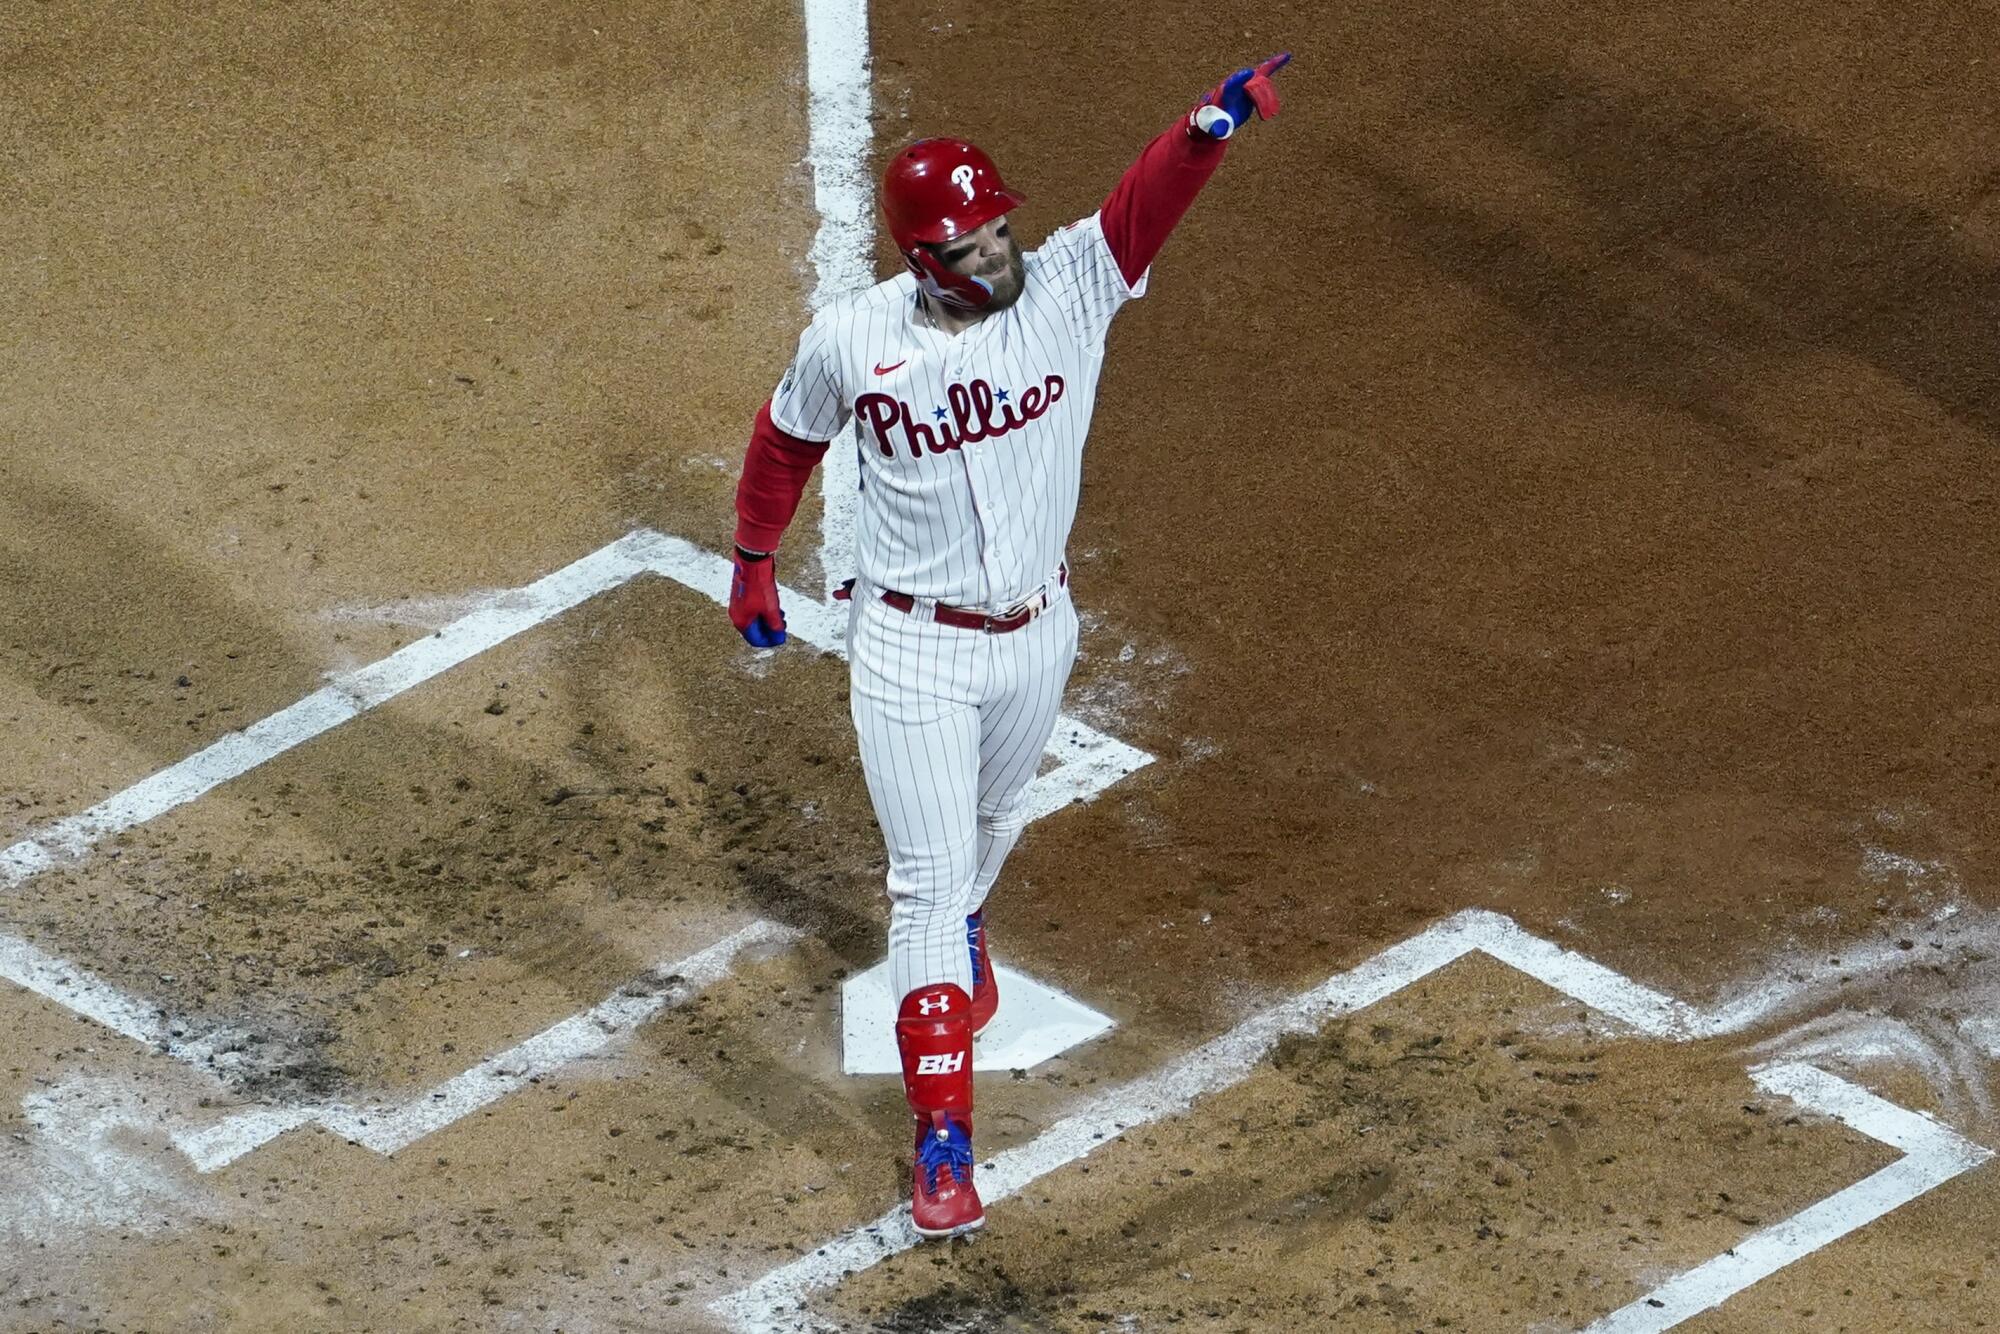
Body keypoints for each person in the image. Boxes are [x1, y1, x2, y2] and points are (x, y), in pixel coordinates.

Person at [727, 54, 1292, 1238]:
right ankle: (944, 1145)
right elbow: (783, 443)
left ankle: (970, 921)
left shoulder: (1069, 288)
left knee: (988, 831)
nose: (997, 252)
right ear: (921, 259)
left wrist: (1208, 128)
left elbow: (1143, 203)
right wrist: (751, 559)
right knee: (925, 885)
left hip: (1039, 634)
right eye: (970, 244)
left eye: (997, 229)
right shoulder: (854, 341)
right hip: (910, 649)